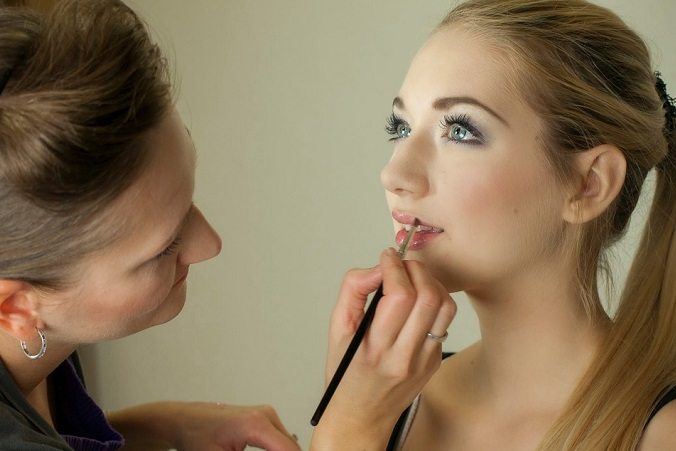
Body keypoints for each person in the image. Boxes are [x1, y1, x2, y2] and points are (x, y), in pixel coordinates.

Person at [310, 0, 676, 449]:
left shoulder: (660, 433)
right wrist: (352, 419)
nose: (395, 176)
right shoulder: (389, 400)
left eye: (461, 131)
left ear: (588, 184)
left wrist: (346, 429)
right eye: (400, 127)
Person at [0, 1, 302, 449]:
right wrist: (354, 427)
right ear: (16, 310)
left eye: (188, 203)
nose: (209, 244)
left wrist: (167, 424)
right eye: (162, 248)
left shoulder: (40, 328)